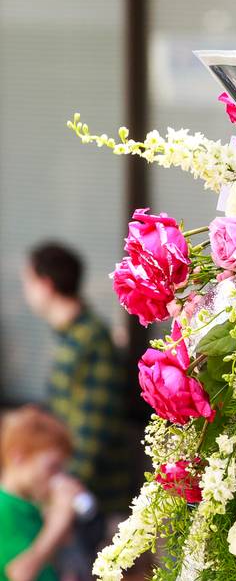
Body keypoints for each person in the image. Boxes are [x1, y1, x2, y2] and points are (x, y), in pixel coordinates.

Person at [19, 245, 138, 575]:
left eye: (27, 281)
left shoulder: (89, 340)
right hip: (71, 492)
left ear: (46, 284)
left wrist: (62, 496)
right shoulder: (72, 336)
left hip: (91, 500)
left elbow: (91, 430)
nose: (25, 292)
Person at [0, 406, 83, 581]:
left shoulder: (29, 505)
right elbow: (20, 573)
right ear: (19, 457)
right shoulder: (4, 508)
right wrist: (58, 523)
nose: (57, 478)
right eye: (52, 467)